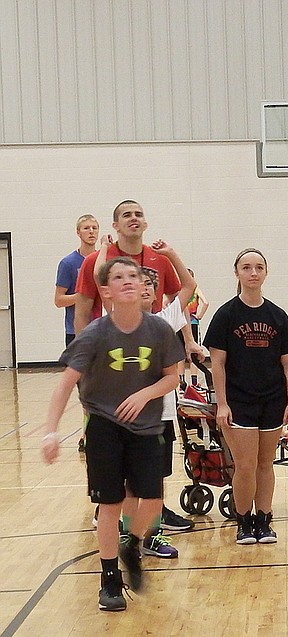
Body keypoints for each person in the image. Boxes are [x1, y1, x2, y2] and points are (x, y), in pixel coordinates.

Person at [41, 256, 184, 611]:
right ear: (106, 290)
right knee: (110, 504)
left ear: (143, 286)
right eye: (118, 277)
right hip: (105, 424)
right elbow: (65, 385)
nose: (127, 281)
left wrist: (145, 393)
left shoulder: (159, 330)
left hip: (147, 425)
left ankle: (132, 544)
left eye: (132, 275)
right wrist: (50, 431)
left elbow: (172, 376)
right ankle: (109, 580)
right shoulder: (95, 334)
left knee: (151, 502)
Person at [93, 239, 199, 557]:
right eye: (142, 285)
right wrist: (104, 251)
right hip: (121, 418)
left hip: (159, 416)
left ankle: (149, 535)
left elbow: (190, 287)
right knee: (126, 485)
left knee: (155, 481)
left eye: (151, 285)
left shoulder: (165, 320)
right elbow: (101, 277)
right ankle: (127, 534)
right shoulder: (113, 323)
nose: (146, 290)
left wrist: (169, 254)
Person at [204, 248, 288, 545]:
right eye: (247, 267)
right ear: (237, 273)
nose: (253, 272)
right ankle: (244, 521)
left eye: (259, 267)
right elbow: (216, 363)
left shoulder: (277, 315)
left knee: (265, 464)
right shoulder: (226, 315)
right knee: (245, 465)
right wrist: (221, 403)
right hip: (238, 402)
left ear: (266, 273)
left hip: (272, 400)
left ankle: (264, 519)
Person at [74, 200, 181, 333]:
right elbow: (81, 314)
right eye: (127, 215)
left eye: (138, 214)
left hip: (151, 338)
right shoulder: (94, 261)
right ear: (115, 225)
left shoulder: (161, 258)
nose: (134, 218)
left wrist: (189, 340)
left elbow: (178, 301)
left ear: (145, 225)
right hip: (110, 339)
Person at [54, 214, 99, 347]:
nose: (91, 231)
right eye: (86, 228)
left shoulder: (104, 260)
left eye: (94, 228)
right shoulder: (68, 263)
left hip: (101, 328)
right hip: (75, 331)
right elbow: (59, 300)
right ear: (78, 232)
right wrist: (83, 296)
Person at [182, 269, 210, 388]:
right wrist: (199, 316)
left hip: (181, 323)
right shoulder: (195, 289)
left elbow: (165, 303)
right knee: (194, 352)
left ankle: (181, 381)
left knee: (181, 353)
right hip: (192, 322)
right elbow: (206, 302)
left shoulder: (180, 290)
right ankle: (194, 382)